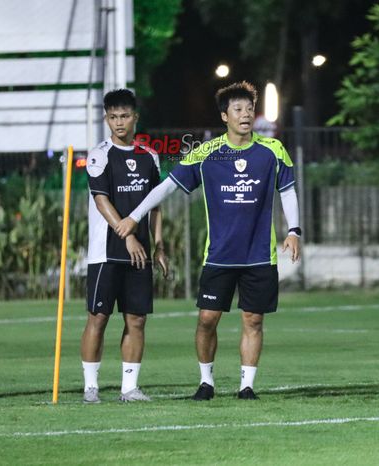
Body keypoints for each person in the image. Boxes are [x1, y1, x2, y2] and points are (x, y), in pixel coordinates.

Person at [115, 81, 301, 400]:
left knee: (253, 320)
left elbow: (287, 190)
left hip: (259, 254)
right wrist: (134, 216)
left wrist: (294, 230)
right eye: (238, 110)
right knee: (206, 320)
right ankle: (206, 381)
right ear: (224, 116)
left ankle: (247, 386)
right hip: (219, 255)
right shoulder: (208, 154)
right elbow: (167, 187)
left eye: (249, 109)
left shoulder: (272, 151)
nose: (245, 115)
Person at [81, 89, 168, 403]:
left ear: (135, 118)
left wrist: (158, 245)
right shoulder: (98, 155)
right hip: (106, 252)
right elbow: (102, 200)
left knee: (137, 319)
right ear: (106, 118)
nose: (119, 122)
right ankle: (91, 386)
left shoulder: (150, 156)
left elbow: (155, 204)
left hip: (141, 253)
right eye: (113, 117)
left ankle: (129, 388)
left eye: (125, 116)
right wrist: (128, 235)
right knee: (98, 317)